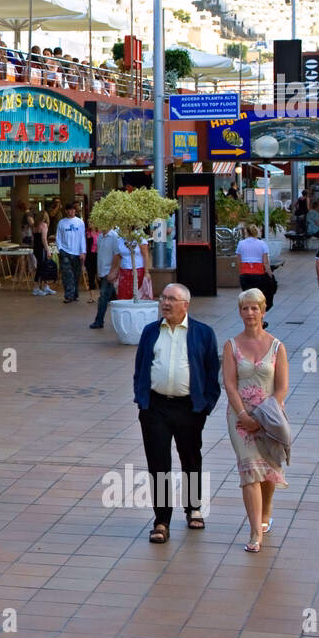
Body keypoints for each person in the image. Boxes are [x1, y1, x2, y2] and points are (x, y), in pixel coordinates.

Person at [133, 283, 221, 543]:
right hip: (156, 408)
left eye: (172, 299)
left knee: (191, 458)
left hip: (189, 408)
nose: (166, 303)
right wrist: (142, 401)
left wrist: (204, 407)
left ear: (186, 305)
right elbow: (140, 368)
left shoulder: (203, 333)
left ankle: (193, 507)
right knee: (158, 464)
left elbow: (210, 373)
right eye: (163, 298)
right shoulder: (151, 331)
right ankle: (161, 521)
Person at [222, 288, 289, 553]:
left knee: (268, 470)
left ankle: (266, 511)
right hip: (239, 418)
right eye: (244, 308)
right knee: (250, 471)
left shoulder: (277, 346)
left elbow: (282, 388)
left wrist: (264, 416)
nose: (250, 313)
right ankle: (254, 532)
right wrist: (243, 415)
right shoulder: (231, 345)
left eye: (254, 308)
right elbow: (229, 384)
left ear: (263, 311)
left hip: (269, 417)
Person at [236, 223, 275, 321]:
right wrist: (270, 274)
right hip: (259, 274)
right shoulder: (262, 244)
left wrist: (241, 272)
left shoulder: (241, 243)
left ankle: (249, 316)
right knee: (258, 298)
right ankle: (259, 318)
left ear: (246, 232)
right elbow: (265, 262)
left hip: (245, 274)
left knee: (248, 297)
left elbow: (239, 261)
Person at [89, 226, 121, 329]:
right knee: (111, 296)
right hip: (102, 271)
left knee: (103, 296)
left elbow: (117, 255)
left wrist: (112, 271)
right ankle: (120, 314)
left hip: (108, 271)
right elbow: (99, 254)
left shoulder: (114, 236)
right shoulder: (99, 237)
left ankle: (99, 320)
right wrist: (98, 271)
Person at [54, 202, 86, 303]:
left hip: (77, 253)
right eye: (70, 210)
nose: (72, 212)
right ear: (66, 211)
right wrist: (60, 249)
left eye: (73, 210)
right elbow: (58, 237)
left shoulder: (80, 222)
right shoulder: (61, 223)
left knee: (76, 274)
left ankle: (75, 294)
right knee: (67, 274)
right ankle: (68, 295)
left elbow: (82, 238)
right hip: (65, 252)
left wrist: (83, 251)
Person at [115, 230, 150, 301]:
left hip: (138, 271)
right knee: (123, 297)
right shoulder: (120, 238)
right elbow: (118, 256)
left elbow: (145, 255)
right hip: (124, 271)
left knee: (138, 296)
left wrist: (146, 272)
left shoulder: (139, 236)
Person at [32, 212, 56, 295]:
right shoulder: (44, 225)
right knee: (41, 268)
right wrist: (48, 250)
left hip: (36, 248)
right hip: (42, 249)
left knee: (42, 267)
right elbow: (44, 239)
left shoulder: (34, 226)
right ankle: (36, 288)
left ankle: (45, 286)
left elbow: (34, 239)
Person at [84, 214, 100, 304]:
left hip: (98, 255)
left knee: (99, 276)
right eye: (88, 222)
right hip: (90, 256)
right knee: (91, 275)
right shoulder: (87, 234)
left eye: (91, 222)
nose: (89, 224)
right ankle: (92, 296)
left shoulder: (99, 233)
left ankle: (102, 295)